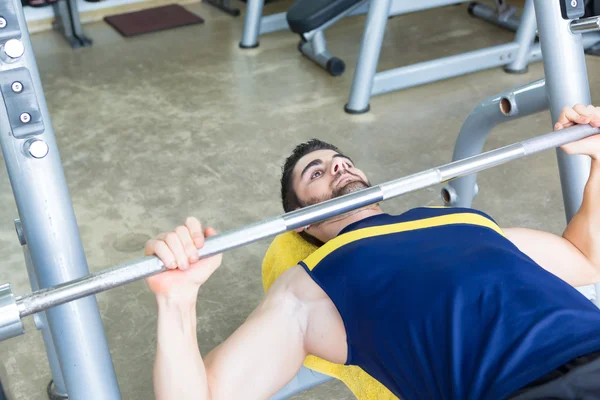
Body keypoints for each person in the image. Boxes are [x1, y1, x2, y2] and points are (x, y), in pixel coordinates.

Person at [144, 104, 600, 400]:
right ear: (302, 222)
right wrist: (176, 300)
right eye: (315, 173)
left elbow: (583, 258)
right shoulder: (310, 286)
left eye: (341, 159)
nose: (337, 165)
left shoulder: (460, 220)